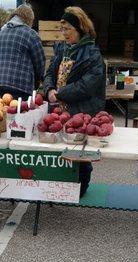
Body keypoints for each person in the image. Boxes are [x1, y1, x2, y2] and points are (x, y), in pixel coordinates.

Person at [43, 6, 106, 196]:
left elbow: (86, 86)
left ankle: (81, 186)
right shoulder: (62, 49)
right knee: (61, 148)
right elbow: (49, 74)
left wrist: (60, 93)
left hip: (83, 110)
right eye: (62, 29)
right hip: (60, 109)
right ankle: (61, 183)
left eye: (67, 29)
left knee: (80, 152)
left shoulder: (92, 54)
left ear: (79, 28)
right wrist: (49, 89)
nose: (64, 33)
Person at [0, 4, 45, 100]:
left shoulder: (1, 33)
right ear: (29, 19)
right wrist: (39, 80)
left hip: (1, 84)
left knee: (7, 111)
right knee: (22, 113)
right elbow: (39, 62)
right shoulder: (31, 34)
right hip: (21, 86)